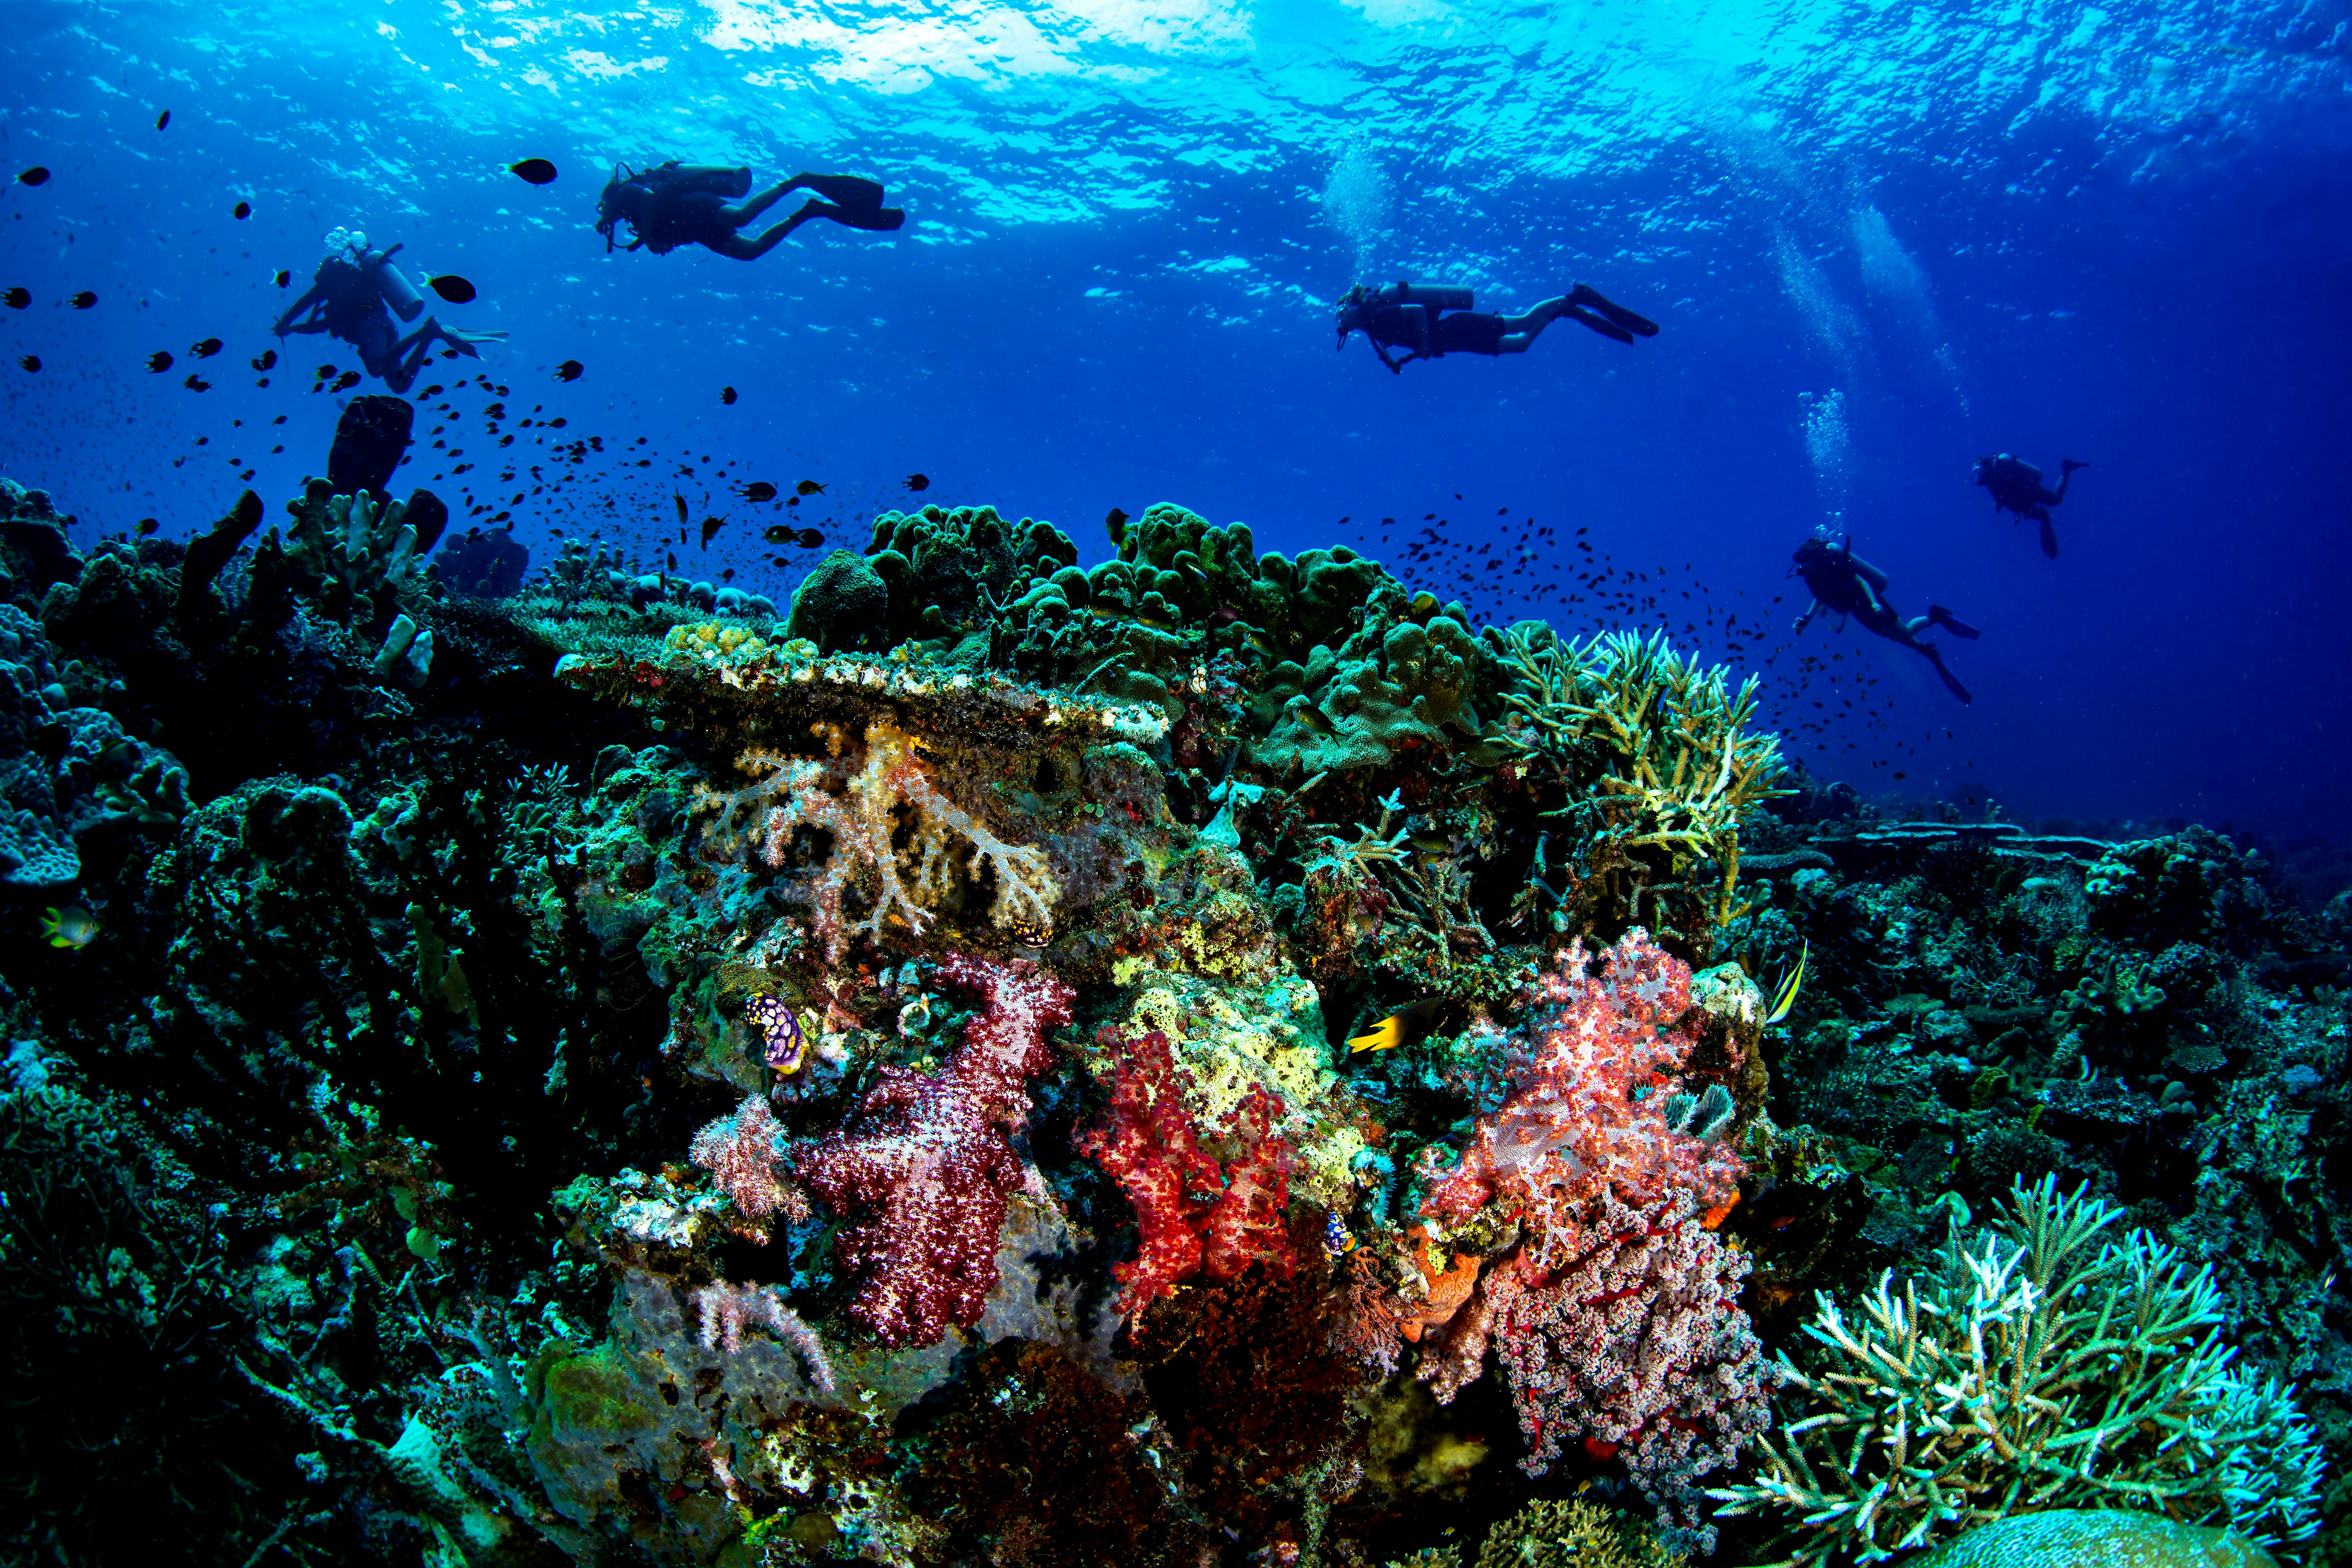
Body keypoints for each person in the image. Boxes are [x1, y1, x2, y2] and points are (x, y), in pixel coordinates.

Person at [273, 229, 504, 395]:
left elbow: (304, 304)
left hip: (370, 326)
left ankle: (428, 331)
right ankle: (429, 335)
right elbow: (321, 325)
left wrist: (286, 324)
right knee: (399, 385)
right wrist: (292, 329)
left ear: (326, 272)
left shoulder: (330, 284)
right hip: (384, 324)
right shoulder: (351, 286)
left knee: (375, 368)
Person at [1788, 533, 1982, 704]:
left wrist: (1874, 603)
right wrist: (1807, 618)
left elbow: (1861, 581)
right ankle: (1926, 651)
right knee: (1893, 636)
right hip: (1857, 612)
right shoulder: (1811, 578)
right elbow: (1819, 598)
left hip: (1868, 602)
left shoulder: (1835, 566)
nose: (1804, 565)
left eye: (1807, 559)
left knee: (1905, 631)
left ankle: (1935, 617)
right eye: (1801, 561)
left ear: (1817, 556)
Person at [1334, 281, 1658, 373]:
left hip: (1456, 327)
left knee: (1523, 322)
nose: (1343, 323)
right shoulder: (1372, 331)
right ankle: (1562, 312)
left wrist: (1425, 345)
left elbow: (1419, 311)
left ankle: (1575, 297)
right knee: (1523, 344)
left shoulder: (1378, 317)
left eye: (1343, 315)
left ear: (1353, 308)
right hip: (1454, 341)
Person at [594, 163, 904, 259]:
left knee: (741, 217)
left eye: (604, 210)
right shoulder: (629, 215)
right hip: (694, 231)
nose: (605, 218)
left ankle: (798, 181)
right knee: (751, 251)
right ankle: (809, 212)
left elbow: (649, 197)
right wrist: (652, 239)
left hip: (693, 208)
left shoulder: (627, 192)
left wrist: (649, 237)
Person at [1972, 453, 2088, 559]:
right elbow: (2000, 496)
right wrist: (2001, 504)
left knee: (2055, 500)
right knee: (2052, 503)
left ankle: (2067, 469)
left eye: (1979, 471)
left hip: (2030, 490)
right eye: (1977, 473)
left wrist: (2028, 507)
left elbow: (2022, 489)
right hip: (2023, 499)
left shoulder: (2001, 474)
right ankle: (2067, 469)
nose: (1979, 476)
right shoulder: (1990, 481)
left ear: (1986, 468)